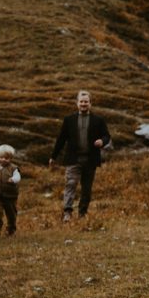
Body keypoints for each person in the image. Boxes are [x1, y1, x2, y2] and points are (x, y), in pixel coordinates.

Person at [49, 90, 111, 222]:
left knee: (86, 188)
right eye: (81, 102)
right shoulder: (69, 120)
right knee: (70, 184)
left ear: (90, 103)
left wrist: (102, 141)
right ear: (77, 103)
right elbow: (61, 139)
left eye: (86, 102)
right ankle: (67, 212)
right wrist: (53, 156)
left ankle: (82, 213)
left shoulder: (98, 120)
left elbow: (107, 135)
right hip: (73, 159)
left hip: (91, 160)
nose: (83, 104)